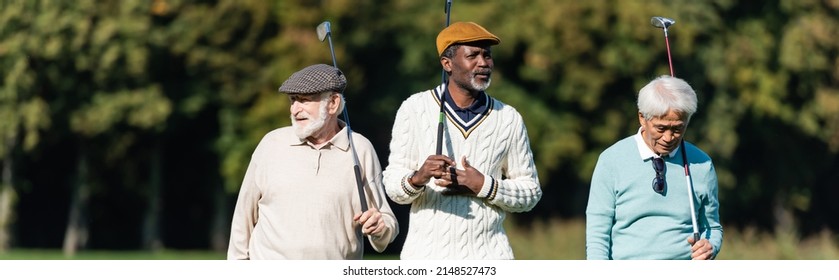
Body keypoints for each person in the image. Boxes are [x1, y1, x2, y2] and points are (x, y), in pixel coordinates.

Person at [382, 22, 542, 259]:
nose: (483, 63)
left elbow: (531, 193)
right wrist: (419, 177)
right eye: (473, 55)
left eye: (487, 55)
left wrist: (482, 185)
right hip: (425, 258)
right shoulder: (414, 108)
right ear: (447, 63)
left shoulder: (508, 118)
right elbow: (394, 188)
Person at [227, 64, 398, 260]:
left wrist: (379, 228)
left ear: (333, 103)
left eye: (304, 101)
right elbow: (243, 219)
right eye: (293, 100)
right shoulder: (271, 144)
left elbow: (386, 227)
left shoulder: (360, 148)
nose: (294, 109)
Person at [585, 75, 722, 260]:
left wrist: (710, 246)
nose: (668, 137)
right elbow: (597, 235)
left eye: (677, 129)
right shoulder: (611, 161)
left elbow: (712, 228)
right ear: (642, 118)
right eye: (661, 128)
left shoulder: (702, 164)